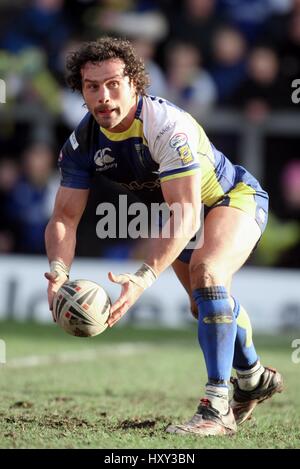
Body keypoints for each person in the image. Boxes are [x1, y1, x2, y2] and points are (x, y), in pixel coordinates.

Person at [44, 37, 283, 437]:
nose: (103, 96)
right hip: (173, 213)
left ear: (135, 83)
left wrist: (140, 279)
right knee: (202, 305)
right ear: (81, 90)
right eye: (92, 86)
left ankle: (216, 408)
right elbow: (65, 217)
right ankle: (253, 376)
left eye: (113, 83)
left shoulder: (166, 126)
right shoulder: (81, 143)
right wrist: (57, 270)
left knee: (208, 273)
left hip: (229, 198)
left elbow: (189, 214)